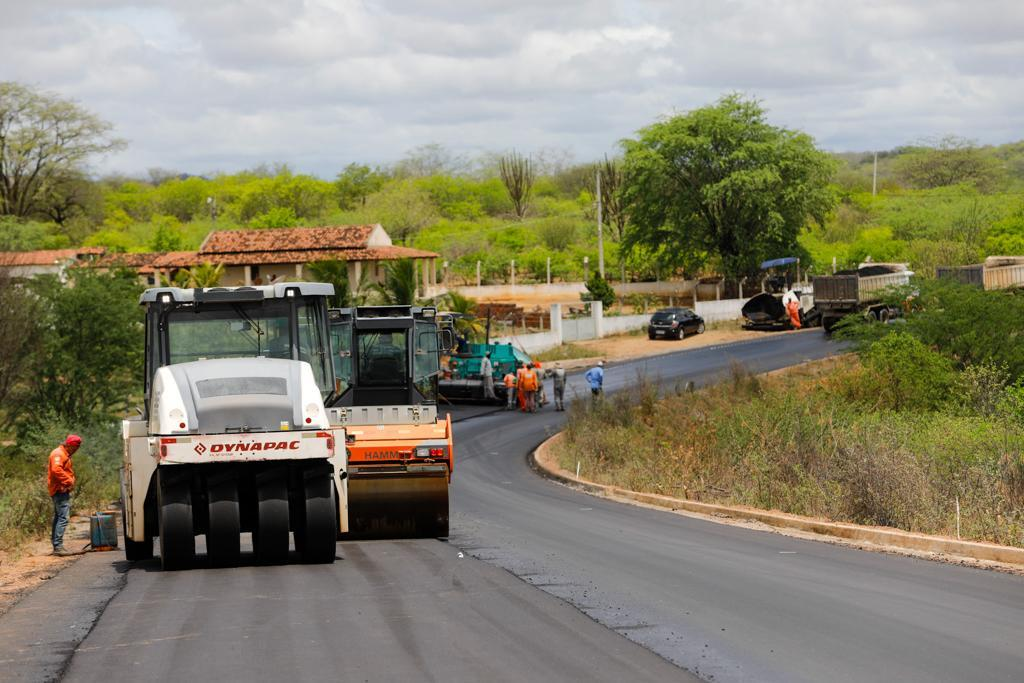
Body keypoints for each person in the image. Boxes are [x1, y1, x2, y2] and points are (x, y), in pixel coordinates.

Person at [48, 434, 81, 555]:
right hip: (59, 490)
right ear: (70, 445)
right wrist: (69, 480)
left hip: (61, 490)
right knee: (63, 518)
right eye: (75, 447)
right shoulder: (58, 454)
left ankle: (56, 545)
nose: (76, 450)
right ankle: (58, 547)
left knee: (58, 517)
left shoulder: (64, 454)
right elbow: (56, 470)